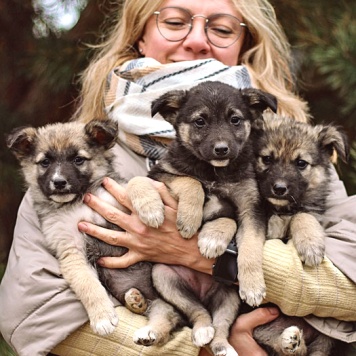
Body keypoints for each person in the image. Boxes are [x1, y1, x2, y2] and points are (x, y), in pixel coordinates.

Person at [1, 0, 356, 355]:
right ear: (140, 36)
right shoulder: (82, 154)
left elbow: (350, 276)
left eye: (221, 29)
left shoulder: (285, 148)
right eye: (174, 22)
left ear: (245, 46)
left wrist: (215, 259)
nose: (197, 40)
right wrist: (202, 349)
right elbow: (35, 311)